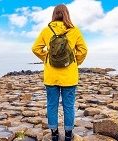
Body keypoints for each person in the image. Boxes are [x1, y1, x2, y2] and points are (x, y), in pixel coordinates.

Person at [32, 4, 88, 141]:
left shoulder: (46, 30)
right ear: (66, 14)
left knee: (52, 105)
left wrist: (46, 57)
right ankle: (68, 135)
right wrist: (75, 63)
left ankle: (54, 134)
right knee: (68, 106)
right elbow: (83, 51)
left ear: (54, 14)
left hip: (51, 76)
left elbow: (35, 48)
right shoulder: (74, 31)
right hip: (69, 77)